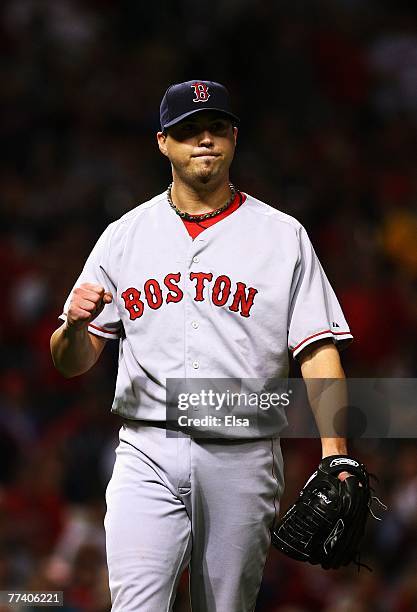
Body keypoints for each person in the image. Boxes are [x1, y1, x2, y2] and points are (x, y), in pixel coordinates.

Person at [50, 80, 354, 611]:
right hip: (147, 448)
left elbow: (316, 350)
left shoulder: (282, 236)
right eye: (189, 131)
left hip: (242, 452)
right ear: (163, 143)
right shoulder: (124, 236)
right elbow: (72, 362)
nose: (204, 140)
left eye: (216, 128)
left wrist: (337, 455)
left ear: (235, 138)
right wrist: (74, 327)